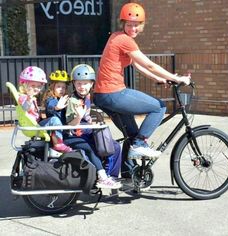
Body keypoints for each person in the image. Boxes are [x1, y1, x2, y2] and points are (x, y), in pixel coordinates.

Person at [93, 3, 191, 169]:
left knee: (131, 134)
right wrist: (176, 77)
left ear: (141, 26)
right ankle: (140, 144)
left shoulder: (117, 37)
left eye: (136, 25)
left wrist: (159, 79)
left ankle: (128, 174)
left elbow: (139, 66)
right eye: (129, 24)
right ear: (123, 24)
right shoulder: (124, 40)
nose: (132, 28)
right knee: (159, 107)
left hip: (102, 95)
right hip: (113, 92)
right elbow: (149, 64)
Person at [64, 64, 122, 189]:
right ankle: (103, 177)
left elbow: (87, 116)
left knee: (115, 147)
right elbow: (70, 125)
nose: (82, 87)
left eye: (85, 83)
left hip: (86, 132)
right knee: (93, 148)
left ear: (91, 84)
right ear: (74, 84)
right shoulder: (72, 101)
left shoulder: (87, 98)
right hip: (74, 135)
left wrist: (91, 123)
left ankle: (111, 176)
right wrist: (79, 117)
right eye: (79, 84)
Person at [40, 70, 72, 153]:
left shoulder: (63, 99)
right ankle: (57, 144)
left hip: (63, 130)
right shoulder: (51, 98)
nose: (61, 89)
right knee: (55, 119)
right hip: (52, 129)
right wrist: (56, 108)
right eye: (58, 86)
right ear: (52, 87)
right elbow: (50, 107)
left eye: (63, 87)